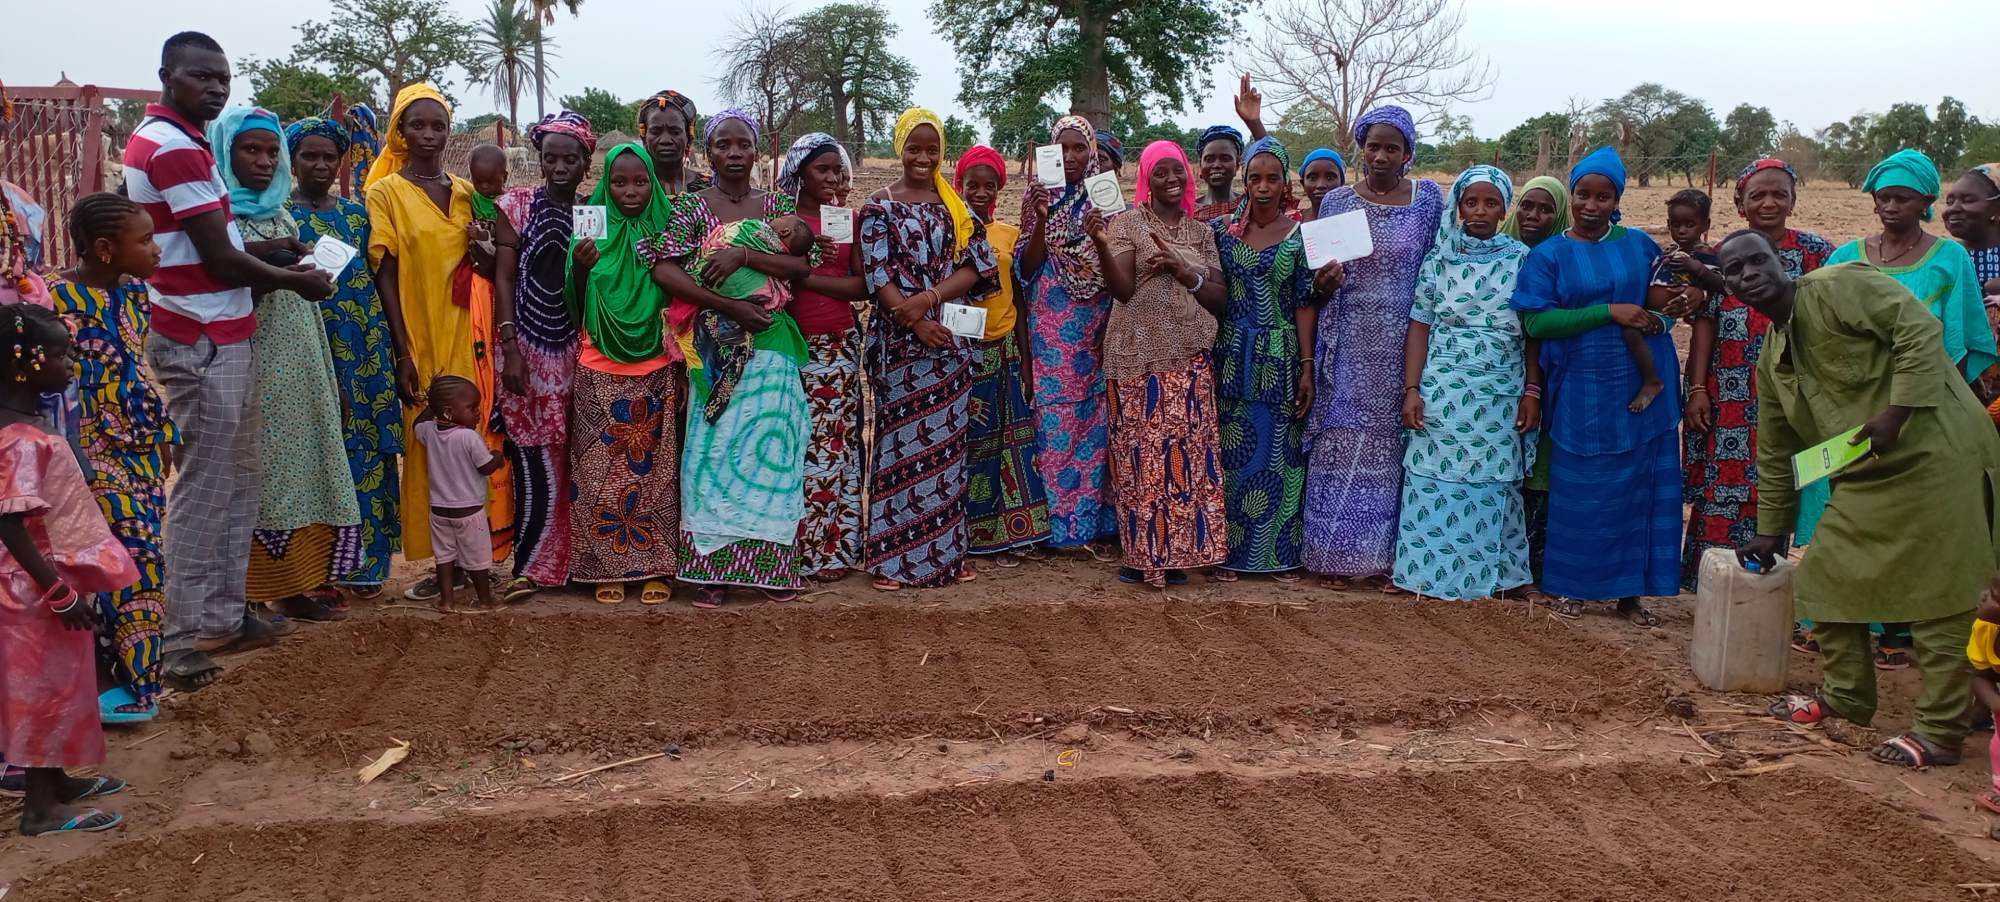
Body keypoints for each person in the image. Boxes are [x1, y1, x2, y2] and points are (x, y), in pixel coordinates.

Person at [1729, 234, 2000, 770]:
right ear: (1730, 286)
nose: (1750, 273)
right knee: (1825, 575)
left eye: (1758, 260)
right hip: (1868, 471)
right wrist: (1770, 529)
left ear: (1782, 263)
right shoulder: (1772, 357)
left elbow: (1920, 328)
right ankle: (1848, 697)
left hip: (1938, 451)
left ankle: (1940, 731)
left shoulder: (1838, 285)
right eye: (1736, 270)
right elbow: (1776, 447)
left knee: (1942, 597)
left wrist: (1897, 412)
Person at [126, 32, 333, 691]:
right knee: (206, 487)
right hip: (199, 334)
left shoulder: (185, 142)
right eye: (201, 77)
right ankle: (177, 639)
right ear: (167, 76)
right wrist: (295, 280)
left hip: (221, 327)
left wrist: (273, 255)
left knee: (238, 480)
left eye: (223, 78)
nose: (215, 88)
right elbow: (218, 260)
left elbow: (211, 245)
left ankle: (220, 616)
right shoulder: (174, 148)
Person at [641, 109, 816, 605]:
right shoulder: (693, 207)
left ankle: (772, 568)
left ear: (757, 153)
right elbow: (664, 270)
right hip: (715, 349)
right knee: (713, 453)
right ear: (707, 152)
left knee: (772, 453)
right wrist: (727, 304)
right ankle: (712, 571)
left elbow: (801, 266)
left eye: (743, 145)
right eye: (723, 145)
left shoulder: (776, 204)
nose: (734, 153)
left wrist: (743, 256)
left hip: (772, 346)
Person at [1510, 147, 1686, 626]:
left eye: (1603, 197)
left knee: (1639, 493)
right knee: (1582, 493)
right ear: (1572, 196)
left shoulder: (1640, 247)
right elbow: (1536, 322)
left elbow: (1666, 303)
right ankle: (1574, 587)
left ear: (1617, 200)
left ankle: (1631, 596)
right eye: (1583, 194)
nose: (1591, 205)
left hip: (1643, 385)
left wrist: (1664, 318)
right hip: (1582, 389)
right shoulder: (1549, 255)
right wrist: (1609, 312)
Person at [211, 106, 363, 619]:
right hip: (251, 363)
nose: (262, 160)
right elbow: (225, 286)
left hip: (300, 361)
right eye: (250, 149)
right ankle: (247, 595)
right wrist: (272, 259)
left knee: (301, 472)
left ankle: (294, 586)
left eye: (270, 151)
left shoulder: (280, 213)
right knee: (256, 476)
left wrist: (327, 374)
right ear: (225, 153)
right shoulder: (217, 219)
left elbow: (302, 300)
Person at [0, 303, 141, 835]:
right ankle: (39, 808)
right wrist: (56, 591)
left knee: (60, 684)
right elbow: (9, 522)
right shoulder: (18, 439)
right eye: (60, 355)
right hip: (31, 592)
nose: (69, 365)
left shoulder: (30, 422)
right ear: (23, 364)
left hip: (42, 582)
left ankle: (56, 782)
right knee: (40, 692)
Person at [366, 84, 507, 602]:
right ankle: (439, 562)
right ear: (400, 132)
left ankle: (477, 559)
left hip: (470, 335)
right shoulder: (385, 193)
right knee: (428, 446)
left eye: (438, 125)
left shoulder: (467, 192)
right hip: (420, 336)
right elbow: (385, 272)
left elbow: (491, 264)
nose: (429, 134)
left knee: (475, 444)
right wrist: (403, 352)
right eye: (417, 125)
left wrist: (484, 250)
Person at [1304, 105, 1443, 591]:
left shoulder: (1428, 201)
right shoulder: (1337, 202)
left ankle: (1382, 561)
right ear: (1361, 149)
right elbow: (1317, 279)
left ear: (1408, 153)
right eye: (1373, 146)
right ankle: (1333, 557)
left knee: (1391, 448)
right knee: (1341, 442)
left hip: (1405, 339)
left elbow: (1437, 267)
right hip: (1348, 340)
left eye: (1391, 148)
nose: (1380, 156)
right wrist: (1324, 282)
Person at [859, 108, 998, 591]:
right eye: (914, 148)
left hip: (949, 345)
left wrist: (930, 298)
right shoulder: (878, 206)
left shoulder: (955, 208)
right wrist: (915, 320)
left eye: (932, 149)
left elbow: (978, 266)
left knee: (945, 452)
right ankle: (891, 560)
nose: (923, 157)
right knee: (899, 449)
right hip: (900, 347)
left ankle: (944, 556)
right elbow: (876, 274)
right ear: (900, 149)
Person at [1680, 159, 1834, 593]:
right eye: (1758, 195)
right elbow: (1705, 323)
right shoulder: (1719, 255)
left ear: (1793, 200)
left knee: (1779, 483)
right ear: (1740, 203)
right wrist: (1697, 389)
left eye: (1779, 194)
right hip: (1729, 391)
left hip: (1791, 391)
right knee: (1722, 486)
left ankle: (1765, 591)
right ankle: (1712, 590)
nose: (1769, 203)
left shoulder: (1816, 253)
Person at [48, 194, 170, 721]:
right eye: (145, 240)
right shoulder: (54, 298)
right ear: (104, 248)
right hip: (88, 449)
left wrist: (163, 433)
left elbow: (134, 370)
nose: (156, 250)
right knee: (131, 559)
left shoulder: (136, 293)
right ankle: (130, 687)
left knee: (143, 554)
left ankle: (124, 680)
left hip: (140, 444)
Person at [1087, 140, 1228, 589]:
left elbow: (1220, 298)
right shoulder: (1129, 223)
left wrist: (1185, 272)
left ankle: (1180, 554)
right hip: (1136, 359)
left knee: (1185, 461)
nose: (1171, 179)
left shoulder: (1201, 232)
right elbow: (1122, 290)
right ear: (1147, 178)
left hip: (1188, 356)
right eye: (1160, 172)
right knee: (1140, 460)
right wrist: (1101, 244)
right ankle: (1142, 556)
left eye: (1177, 170)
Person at [1393, 166, 1538, 600]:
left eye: (1491, 203)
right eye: (1470, 202)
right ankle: (1424, 575)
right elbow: (1420, 325)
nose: (1479, 211)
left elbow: (1533, 332)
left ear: (1504, 209)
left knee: (1496, 478)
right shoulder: (1440, 258)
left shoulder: (1521, 259)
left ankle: (1503, 579)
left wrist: (1532, 391)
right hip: (1443, 384)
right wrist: (1412, 390)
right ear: (1458, 206)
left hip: (1500, 385)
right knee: (1433, 475)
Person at [285, 115, 403, 601]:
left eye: (329, 157)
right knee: (316, 449)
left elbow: (382, 279)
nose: (319, 165)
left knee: (367, 449)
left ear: (341, 163)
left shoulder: (357, 216)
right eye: (309, 156)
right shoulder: (280, 220)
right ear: (292, 160)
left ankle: (367, 564)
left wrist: (397, 347)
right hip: (307, 347)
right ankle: (317, 568)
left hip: (366, 347)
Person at [1209, 137, 1336, 580]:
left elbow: (1304, 302)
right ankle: (1228, 555)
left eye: (1273, 178)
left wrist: (1307, 368)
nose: (1263, 187)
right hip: (1232, 355)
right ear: (1245, 181)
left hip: (1281, 358)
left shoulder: (1301, 237)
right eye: (1255, 178)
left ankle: (1278, 557)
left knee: (1280, 455)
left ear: (1285, 183)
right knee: (1232, 454)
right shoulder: (1221, 232)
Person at [565, 143, 682, 606]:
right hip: (599, 365)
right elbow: (574, 302)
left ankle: (659, 568)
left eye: (640, 181)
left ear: (652, 182)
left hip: (657, 364)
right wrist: (580, 267)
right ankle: (603, 566)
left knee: (657, 474)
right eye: (619, 182)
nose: (630, 191)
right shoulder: (591, 225)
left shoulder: (666, 226)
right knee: (598, 474)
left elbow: (681, 295)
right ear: (606, 185)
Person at [493, 112, 596, 596]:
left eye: (569, 159)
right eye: (550, 158)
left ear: (585, 164)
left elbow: (590, 289)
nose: (559, 167)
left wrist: (584, 267)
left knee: (580, 456)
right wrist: (510, 346)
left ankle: (581, 563)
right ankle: (533, 565)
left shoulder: (592, 213)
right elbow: (505, 277)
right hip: (528, 350)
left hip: (577, 349)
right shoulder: (516, 205)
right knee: (533, 459)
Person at [1015, 117, 1117, 559]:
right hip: (1048, 330)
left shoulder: (1104, 197)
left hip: (1094, 327)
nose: (1071, 157)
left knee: (1093, 425)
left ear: (1091, 152)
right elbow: (1026, 268)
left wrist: (1099, 233)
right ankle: (1057, 527)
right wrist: (1041, 219)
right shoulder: (1037, 197)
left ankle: (1092, 524)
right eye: (1063, 148)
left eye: (1079, 148)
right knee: (1053, 422)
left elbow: (1117, 268)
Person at [777, 133, 868, 580]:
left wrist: (808, 277)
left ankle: (832, 551)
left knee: (833, 447)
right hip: (789, 346)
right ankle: (792, 551)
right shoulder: (781, 222)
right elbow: (768, 282)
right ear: (800, 173)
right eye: (822, 169)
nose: (832, 178)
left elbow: (861, 287)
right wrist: (803, 259)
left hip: (837, 346)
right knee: (795, 446)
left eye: (837, 170)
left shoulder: (847, 220)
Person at [956, 144, 1053, 563]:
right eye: (972, 185)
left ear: (999, 189)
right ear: (959, 186)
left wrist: (1027, 364)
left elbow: (1022, 298)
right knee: (971, 444)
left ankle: (1007, 533)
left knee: (1008, 445)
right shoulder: (952, 231)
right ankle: (967, 533)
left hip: (1005, 350)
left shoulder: (1008, 235)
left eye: (989, 186)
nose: (981, 193)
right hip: (965, 352)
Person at [1498, 175, 1568, 593]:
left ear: (1559, 215)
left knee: (1544, 463)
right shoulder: (1497, 253)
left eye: (1545, 209)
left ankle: (1536, 567)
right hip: (1499, 377)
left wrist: (1535, 386)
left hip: (1552, 374)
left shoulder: (1564, 258)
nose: (1533, 216)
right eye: (1527, 205)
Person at [413, 376, 503, 612]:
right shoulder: (468, 437)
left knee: (444, 557)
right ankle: (485, 600)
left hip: (439, 512)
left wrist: (432, 407)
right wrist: (498, 456)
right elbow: (485, 467)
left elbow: (416, 425)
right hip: (469, 512)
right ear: (449, 412)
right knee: (477, 559)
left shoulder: (429, 432)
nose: (477, 413)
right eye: (472, 408)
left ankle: (446, 601)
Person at [1943, 164, 2000, 398]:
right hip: (1957, 381)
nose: (1953, 209)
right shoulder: (1943, 257)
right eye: (1949, 201)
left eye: (1967, 200)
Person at [637, 90, 711, 195]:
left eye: (675, 132)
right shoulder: (631, 188)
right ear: (644, 138)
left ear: (688, 138)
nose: (665, 140)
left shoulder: (708, 187)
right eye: (655, 132)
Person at [1192, 125, 1244, 222]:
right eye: (1209, 159)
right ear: (1200, 166)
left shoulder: (1249, 206)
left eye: (1225, 159)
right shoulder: (1188, 212)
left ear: (1237, 165)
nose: (1216, 165)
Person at [1296, 150, 1346, 223]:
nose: (1321, 185)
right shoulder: (1291, 222)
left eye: (1330, 178)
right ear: (1303, 183)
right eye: (1312, 178)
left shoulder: (1354, 221)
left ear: (1342, 183)